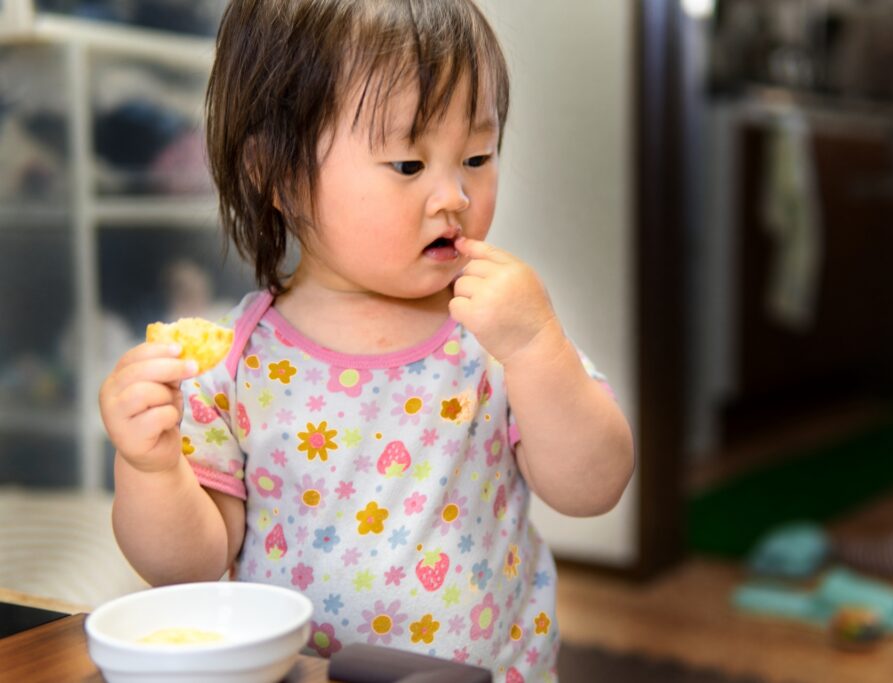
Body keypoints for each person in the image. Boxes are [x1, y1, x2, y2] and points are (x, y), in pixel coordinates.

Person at [98, 1, 635, 680]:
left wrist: (536, 347)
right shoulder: (236, 362)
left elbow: (596, 483)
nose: (454, 195)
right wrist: (148, 469)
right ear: (277, 174)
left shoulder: (497, 332)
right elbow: (191, 564)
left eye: (477, 155)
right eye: (409, 164)